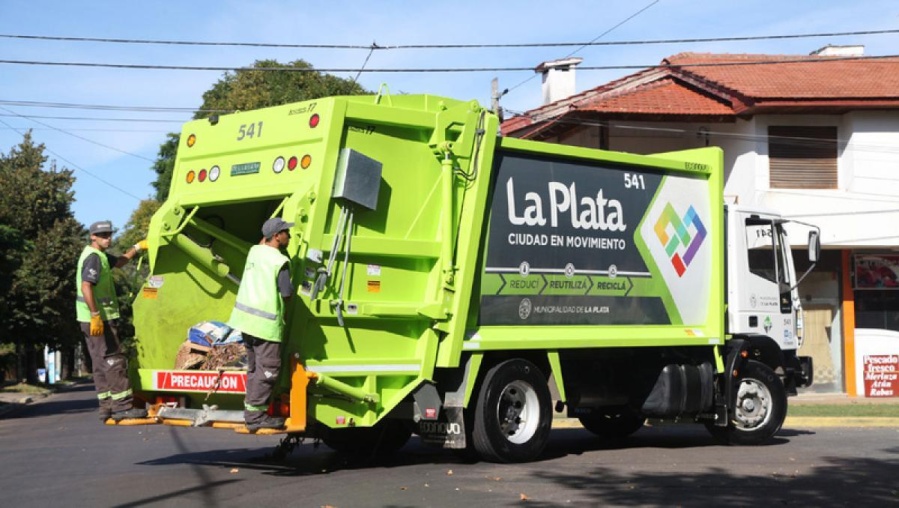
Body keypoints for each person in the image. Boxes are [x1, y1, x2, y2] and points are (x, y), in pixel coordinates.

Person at [76, 220, 149, 422]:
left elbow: (119, 262)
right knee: (114, 360)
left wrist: (137, 247)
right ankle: (123, 407)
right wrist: (95, 314)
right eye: (103, 235)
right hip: (99, 319)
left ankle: (106, 406)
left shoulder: (99, 255)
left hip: (90, 319)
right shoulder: (93, 258)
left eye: (109, 234)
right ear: (93, 237)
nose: (108, 238)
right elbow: (86, 286)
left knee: (100, 361)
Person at [228, 217, 295, 431]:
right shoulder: (280, 262)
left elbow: (261, 243)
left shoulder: (254, 252)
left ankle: (252, 410)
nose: (289, 235)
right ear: (276, 236)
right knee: (268, 371)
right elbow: (287, 294)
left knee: (255, 369)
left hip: (246, 322)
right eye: (285, 232)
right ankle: (255, 417)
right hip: (266, 326)